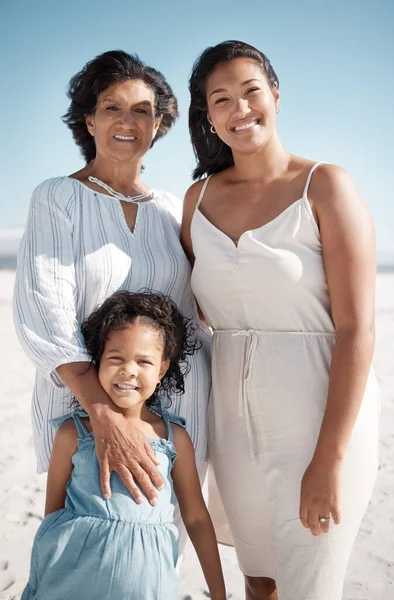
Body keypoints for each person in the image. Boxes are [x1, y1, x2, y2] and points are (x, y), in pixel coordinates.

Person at [182, 40, 379, 600]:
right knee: (260, 581)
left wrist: (328, 461)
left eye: (250, 91)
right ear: (208, 115)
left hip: (317, 420)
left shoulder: (326, 185)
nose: (240, 109)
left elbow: (358, 329)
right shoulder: (197, 200)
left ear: (275, 95)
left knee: (310, 587)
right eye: (221, 99)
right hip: (233, 428)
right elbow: (193, 307)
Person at [13, 51, 211, 549]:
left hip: (177, 415)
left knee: (159, 552)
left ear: (159, 122)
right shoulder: (57, 196)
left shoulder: (170, 207)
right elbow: (46, 314)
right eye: (111, 108)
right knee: (95, 547)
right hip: (87, 409)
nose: (128, 122)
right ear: (89, 119)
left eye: (142, 110)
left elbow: (197, 307)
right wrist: (104, 416)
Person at [21, 291, 226, 600]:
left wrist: (219, 593)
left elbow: (196, 518)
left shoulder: (173, 439)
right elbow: (53, 518)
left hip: (147, 587)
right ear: (97, 361)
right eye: (116, 358)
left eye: (144, 361)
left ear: (162, 369)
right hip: (70, 585)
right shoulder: (71, 434)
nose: (128, 370)